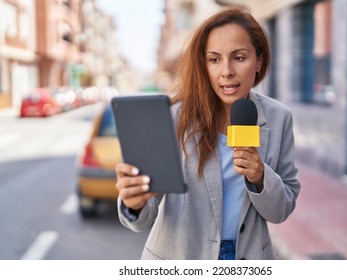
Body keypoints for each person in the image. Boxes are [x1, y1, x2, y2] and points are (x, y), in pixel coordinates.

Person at [115, 6, 300, 260]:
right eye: (214, 59)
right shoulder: (173, 117)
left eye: (239, 57)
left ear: (258, 61)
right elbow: (142, 218)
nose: (226, 71)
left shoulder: (280, 118)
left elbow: (281, 209)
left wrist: (260, 177)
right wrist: (133, 203)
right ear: (204, 65)